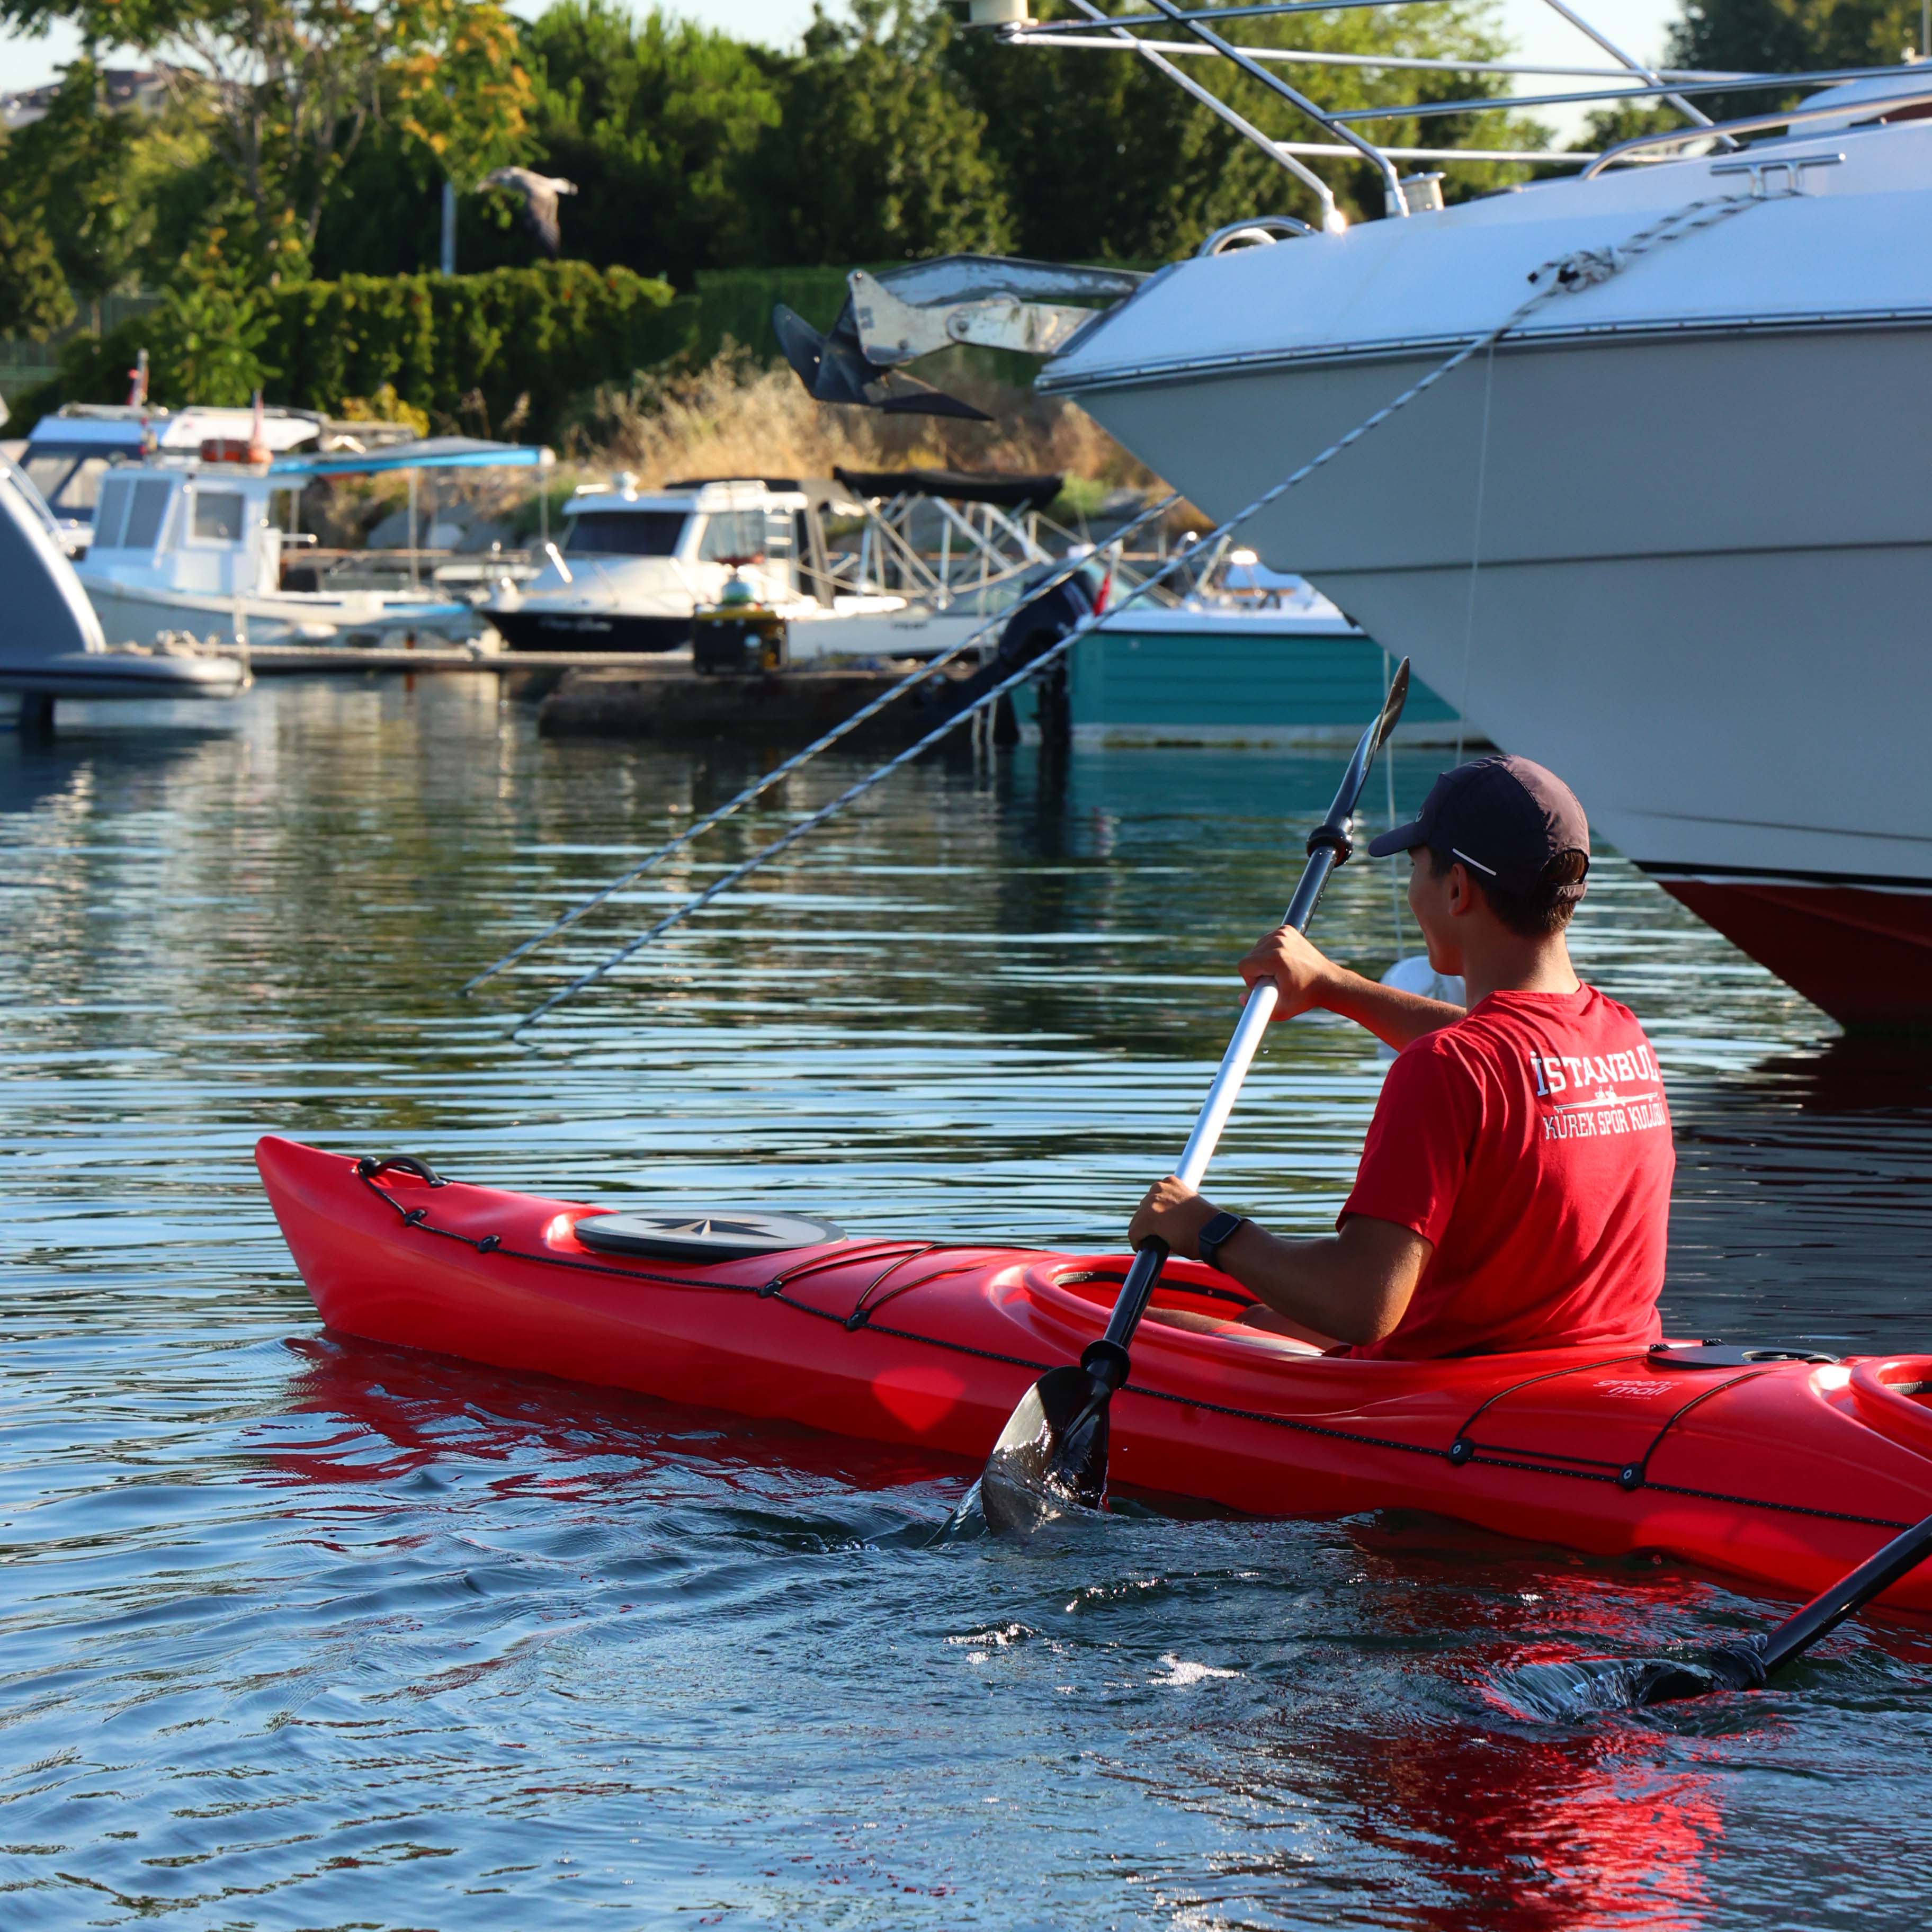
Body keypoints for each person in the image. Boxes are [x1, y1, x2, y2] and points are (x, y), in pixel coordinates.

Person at [1129, 754, 1673, 1358]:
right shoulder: (1622, 1037)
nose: (1413, 889)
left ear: (1459, 889)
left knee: (1138, 1330)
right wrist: (1334, 986)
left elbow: (1362, 1305)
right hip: (1589, 1372)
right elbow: (1501, 1058)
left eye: (1416, 868)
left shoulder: (1441, 1068)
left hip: (1448, 1409)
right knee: (1265, 1317)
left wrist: (1204, 1227)